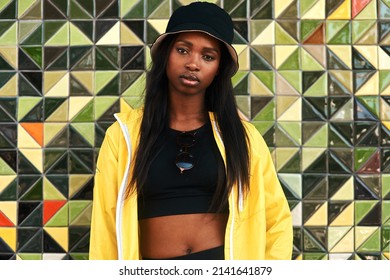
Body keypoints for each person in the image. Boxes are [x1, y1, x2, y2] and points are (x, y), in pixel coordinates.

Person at [89, 1, 292, 260]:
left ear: (219, 69)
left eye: (208, 56)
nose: (193, 63)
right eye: (183, 50)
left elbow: (277, 223)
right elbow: (105, 225)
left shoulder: (243, 138)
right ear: (166, 55)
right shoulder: (122, 137)